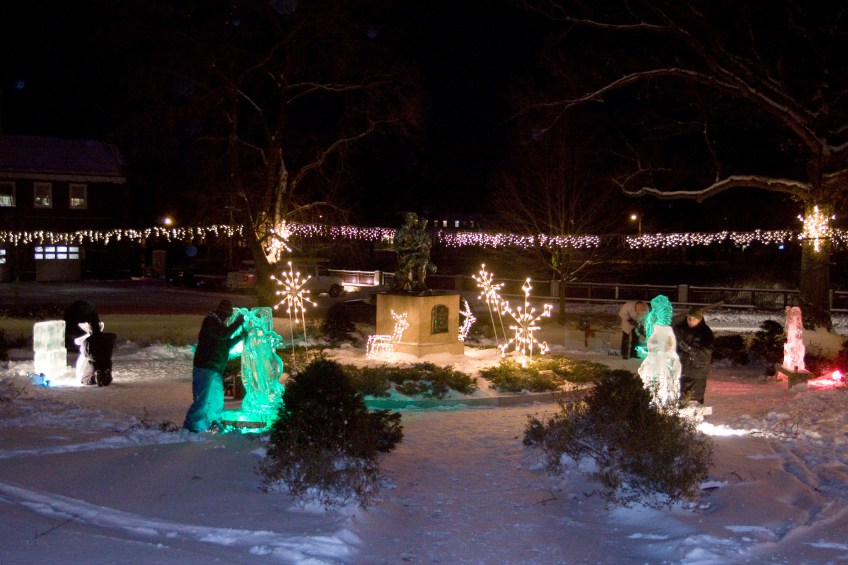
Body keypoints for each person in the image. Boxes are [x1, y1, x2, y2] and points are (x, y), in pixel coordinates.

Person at [183, 299, 245, 432]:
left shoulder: (219, 324)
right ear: (221, 313)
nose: (227, 319)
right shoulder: (210, 322)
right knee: (203, 399)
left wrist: (242, 336)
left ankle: (214, 422)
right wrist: (238, 323)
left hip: (215, 369)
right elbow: (223, 336)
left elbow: (226, 343)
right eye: (227, 316)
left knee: (216, 399)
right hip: (205, 367)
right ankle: (192, 426)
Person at [673, 306, 715, 405]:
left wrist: (688, 348)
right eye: (689, 318)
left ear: (700, 320)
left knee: (694, 400)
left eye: (694, 319)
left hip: (697, 372)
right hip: (681, 369)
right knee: (680, 400)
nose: (691, 321)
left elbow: (706, 352)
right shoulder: (680, 329)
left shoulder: (706, 333)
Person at [75, 318, 117, 387]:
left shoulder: (88, 340)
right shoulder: (109, 337)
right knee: (107, 378)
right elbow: (114, 337)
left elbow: (85, 353)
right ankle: (105, 376)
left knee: (84, 379)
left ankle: (94, 377)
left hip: (94, 363)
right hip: (107, 362)